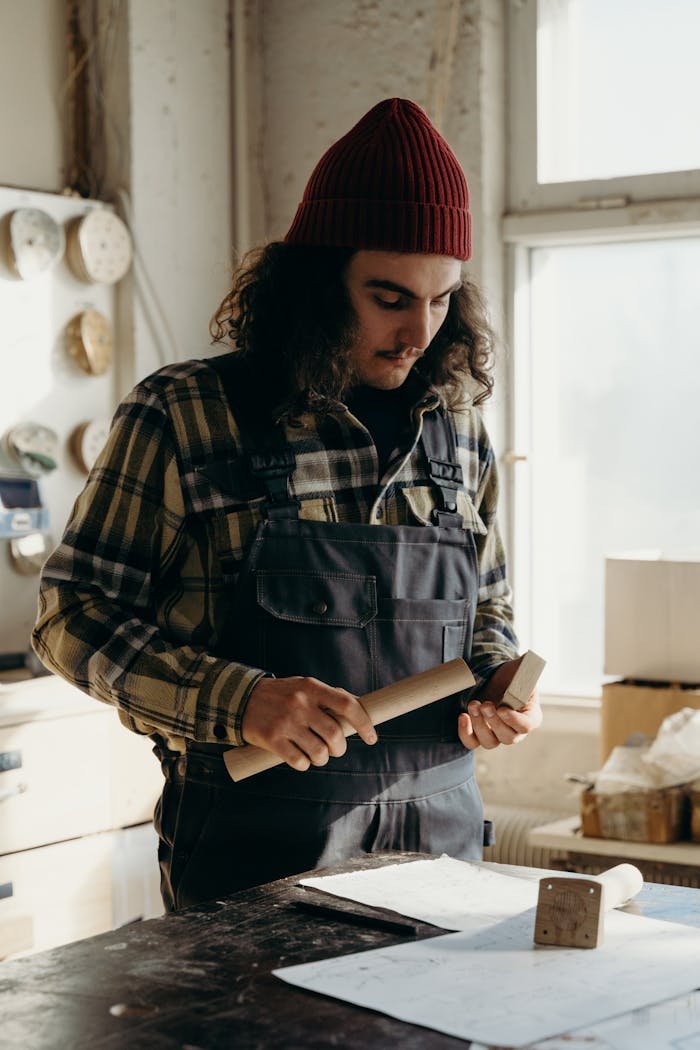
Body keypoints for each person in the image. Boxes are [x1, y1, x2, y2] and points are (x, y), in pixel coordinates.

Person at [33, 98, 542, 911]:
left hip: (443, 862)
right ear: (314, 284)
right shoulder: (186, 413)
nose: (420, 332)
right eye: (389, 297)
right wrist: (239, 700)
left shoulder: (458, 429)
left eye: (442, 298)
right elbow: (72, 614)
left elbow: (488, 604)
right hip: (255, 861)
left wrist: (494, 683)